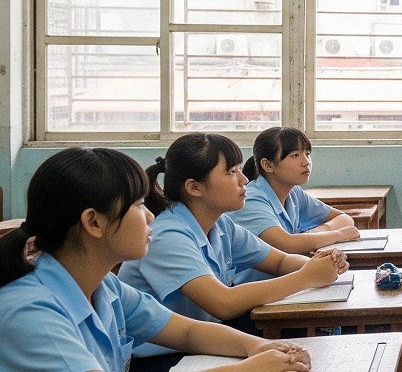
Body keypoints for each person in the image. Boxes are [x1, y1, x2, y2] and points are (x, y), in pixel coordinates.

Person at [0, 147, 313, 372]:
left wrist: (256, 347)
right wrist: (251, 368)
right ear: (93, 223)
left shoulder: (104, 286)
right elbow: (222, 306)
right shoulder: (30, 312)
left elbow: (187, 331)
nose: (150, 216)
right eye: (137, 205)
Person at [118, 133, 348, 370]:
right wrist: (306, 277)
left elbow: (279, 261)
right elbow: (222, 303)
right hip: (159, 358)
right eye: (231, 172)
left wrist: (321, 264)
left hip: (203, 341)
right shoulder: (167, 235)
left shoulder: (220, 225)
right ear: (194, 187)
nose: (244, 179)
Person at [232, 127, 360, 281]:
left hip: (284, 283)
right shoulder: (251, 199)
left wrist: (310, 236)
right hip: (252, 292)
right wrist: (338, 235)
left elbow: (344, 219)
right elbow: (287, 244)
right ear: (268, 165)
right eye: (295, 155)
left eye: (307, 154)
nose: (306, 162)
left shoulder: (294, 193)